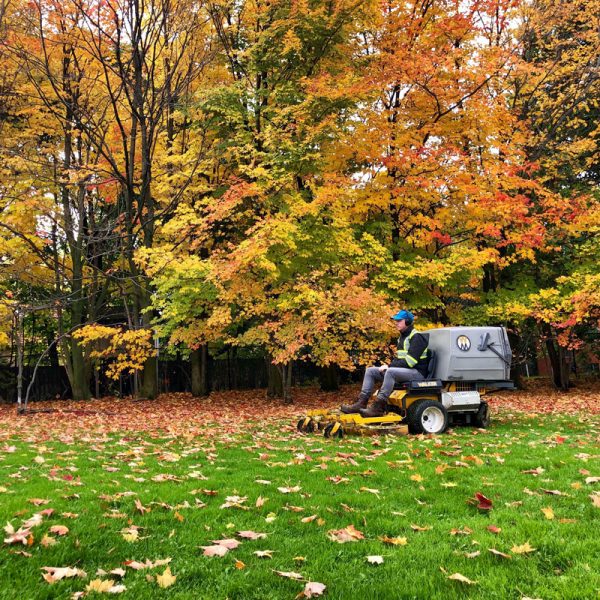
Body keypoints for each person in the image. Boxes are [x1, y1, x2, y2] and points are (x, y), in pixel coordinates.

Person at [340, 309, 429, 418]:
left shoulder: (417, 337)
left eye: (399, 321)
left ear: (407, 322)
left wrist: (389, 366)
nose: (396, 323)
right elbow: (399, 359)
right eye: (396, 321)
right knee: (371, 371)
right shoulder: (402, 337)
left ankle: (378, 407)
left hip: (417, 373)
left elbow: (410, 362)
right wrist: (390, 365)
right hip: (406, 371)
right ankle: (361, 403)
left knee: (390, 372)